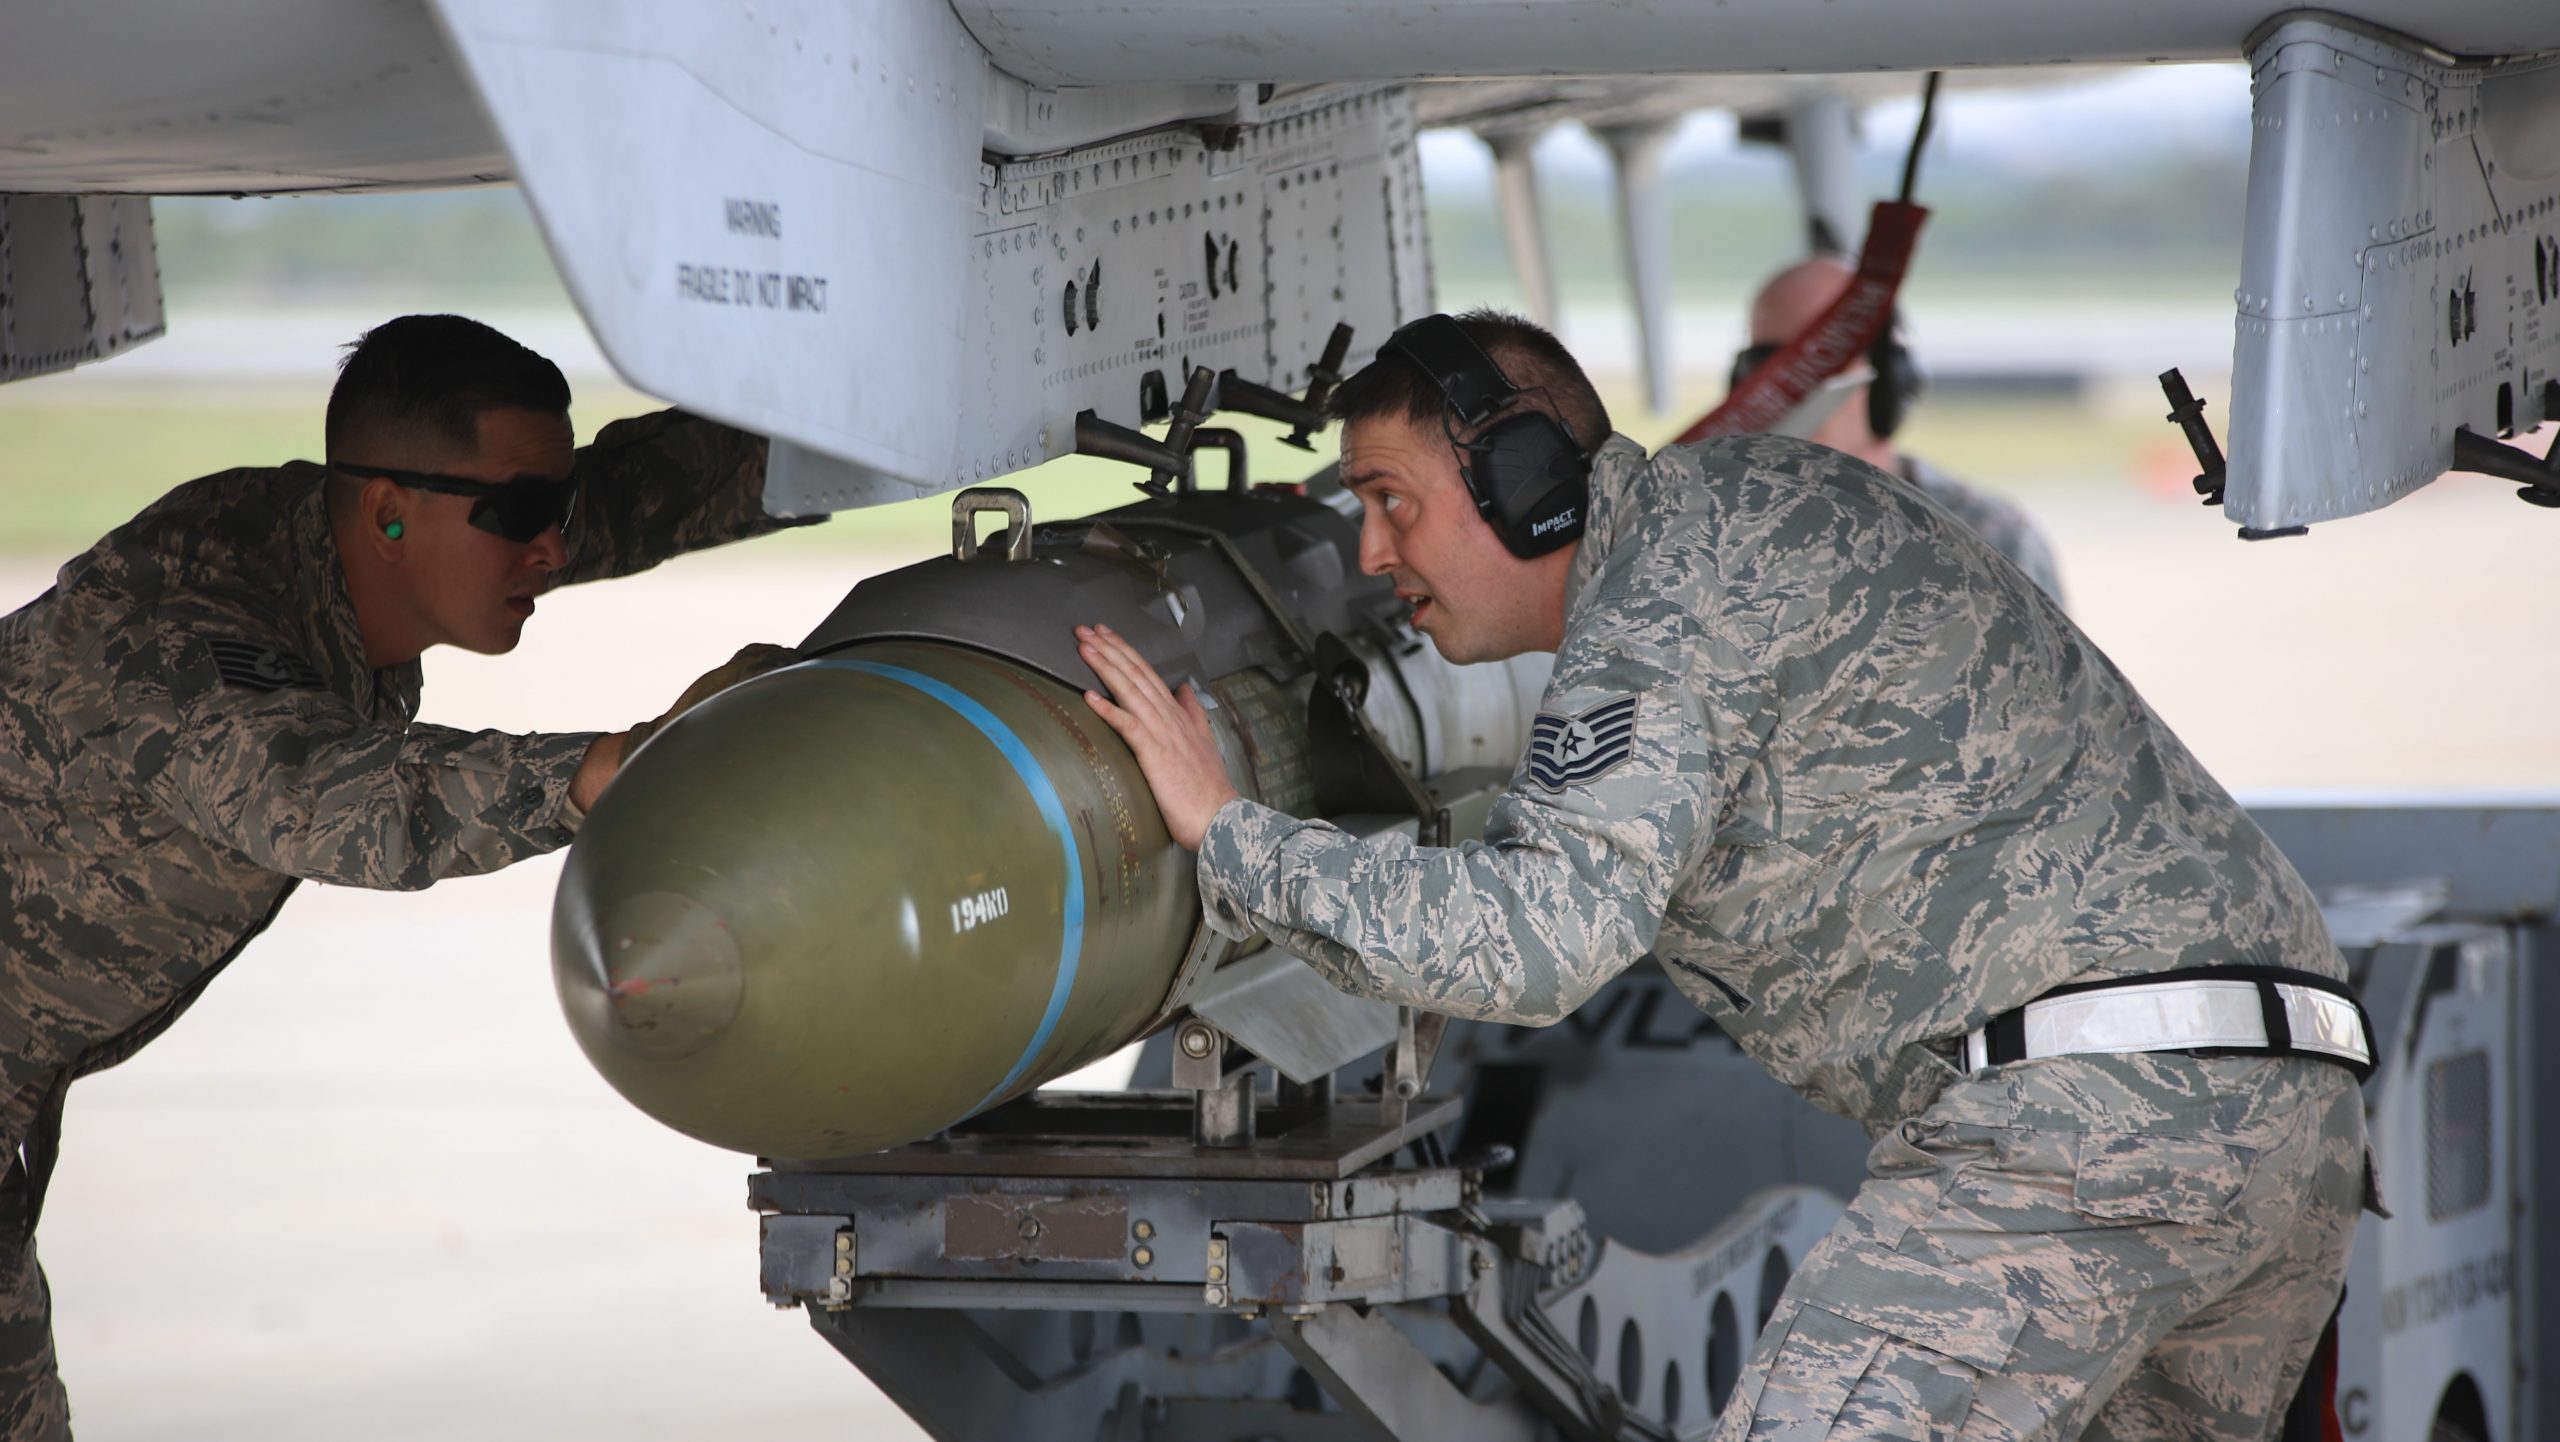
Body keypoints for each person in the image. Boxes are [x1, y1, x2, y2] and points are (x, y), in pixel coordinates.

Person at [1076, 309, 2370, 1440]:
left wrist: (1227, 829)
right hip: (2283, 1093)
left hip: (2089, 1120)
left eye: (1390, 499)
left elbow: (1536, 940)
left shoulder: (1662, 592)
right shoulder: (1743, 513)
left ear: (1523, 478)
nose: (1371, 552)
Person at [0, 314, 802, 1439]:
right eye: (521, 516)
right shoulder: (171, 634)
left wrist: (871, 426)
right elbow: (330, 799)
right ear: (387, 510)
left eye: (557, 509)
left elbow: (640, 494)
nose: (554, 548)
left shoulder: (340, 545)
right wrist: (609, 768)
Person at [1742, 255, 2067, 608]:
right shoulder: (1722, 532)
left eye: (1825, 360)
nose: (1794, 388)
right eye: (1769, 364)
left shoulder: (1990, 542)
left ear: (1890, 379)